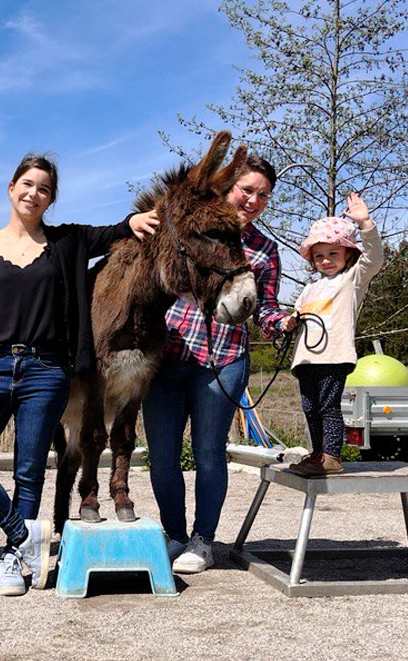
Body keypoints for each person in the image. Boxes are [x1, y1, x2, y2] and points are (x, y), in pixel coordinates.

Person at [0, 154, 159, 596]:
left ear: (51, 198)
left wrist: (137, 219)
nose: (33, 193)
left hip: (46, 371)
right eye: (27, 183)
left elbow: (116, 230)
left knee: (28, 470)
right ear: (11, 187)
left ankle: (12, 557)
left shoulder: (66, 243)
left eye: (43, 188)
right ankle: (26, 534)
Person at [141, 155, 290, 575]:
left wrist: (283, 322)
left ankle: (203, 539)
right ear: (228, 187)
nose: (254, 200)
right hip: (168, 356)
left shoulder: (264, 250)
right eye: (247, 190)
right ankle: (173, 535)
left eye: (263, 195)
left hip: (223, 362)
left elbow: (267, 309)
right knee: (163, 455)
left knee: (209, 453)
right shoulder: (191, 228)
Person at [283, 193, 382, 477]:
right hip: (306, 359)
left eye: (333, 254)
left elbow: (374, 259)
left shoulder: (352, 280)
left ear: (348, 254)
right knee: (310, 406)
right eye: (319, 256)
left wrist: (365, 223)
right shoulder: (309, 288)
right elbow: (297, 316)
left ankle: (332, 456)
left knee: (327, 405)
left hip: (333, 355)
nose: (325, 261)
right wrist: (289, 322)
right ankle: (317, 453)